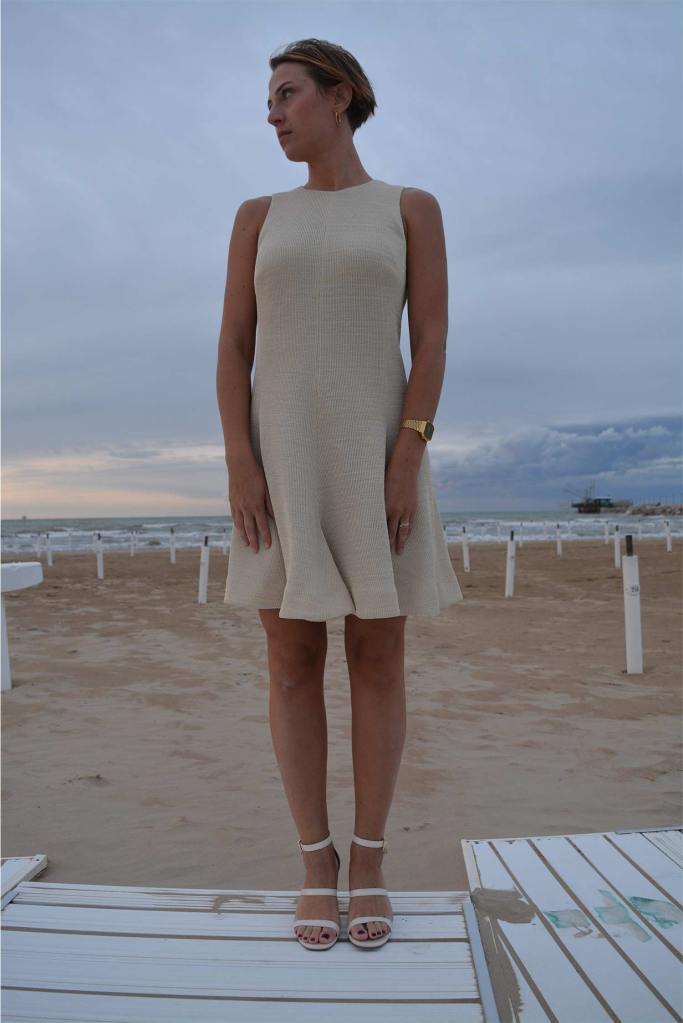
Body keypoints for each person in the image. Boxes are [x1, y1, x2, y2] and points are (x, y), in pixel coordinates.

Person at [216, 38, 464, 951]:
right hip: (278, 462)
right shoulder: (257, 216)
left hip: (376, 456)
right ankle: (314, 862)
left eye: (286, 94)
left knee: (377, 659)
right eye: (268, 99)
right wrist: (240, 460)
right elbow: (232, 346)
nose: (272, 113)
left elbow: (430, 340)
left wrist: (407, 454)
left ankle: (370, 858)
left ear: (340, 95)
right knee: (289, 662)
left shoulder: (408, 208)